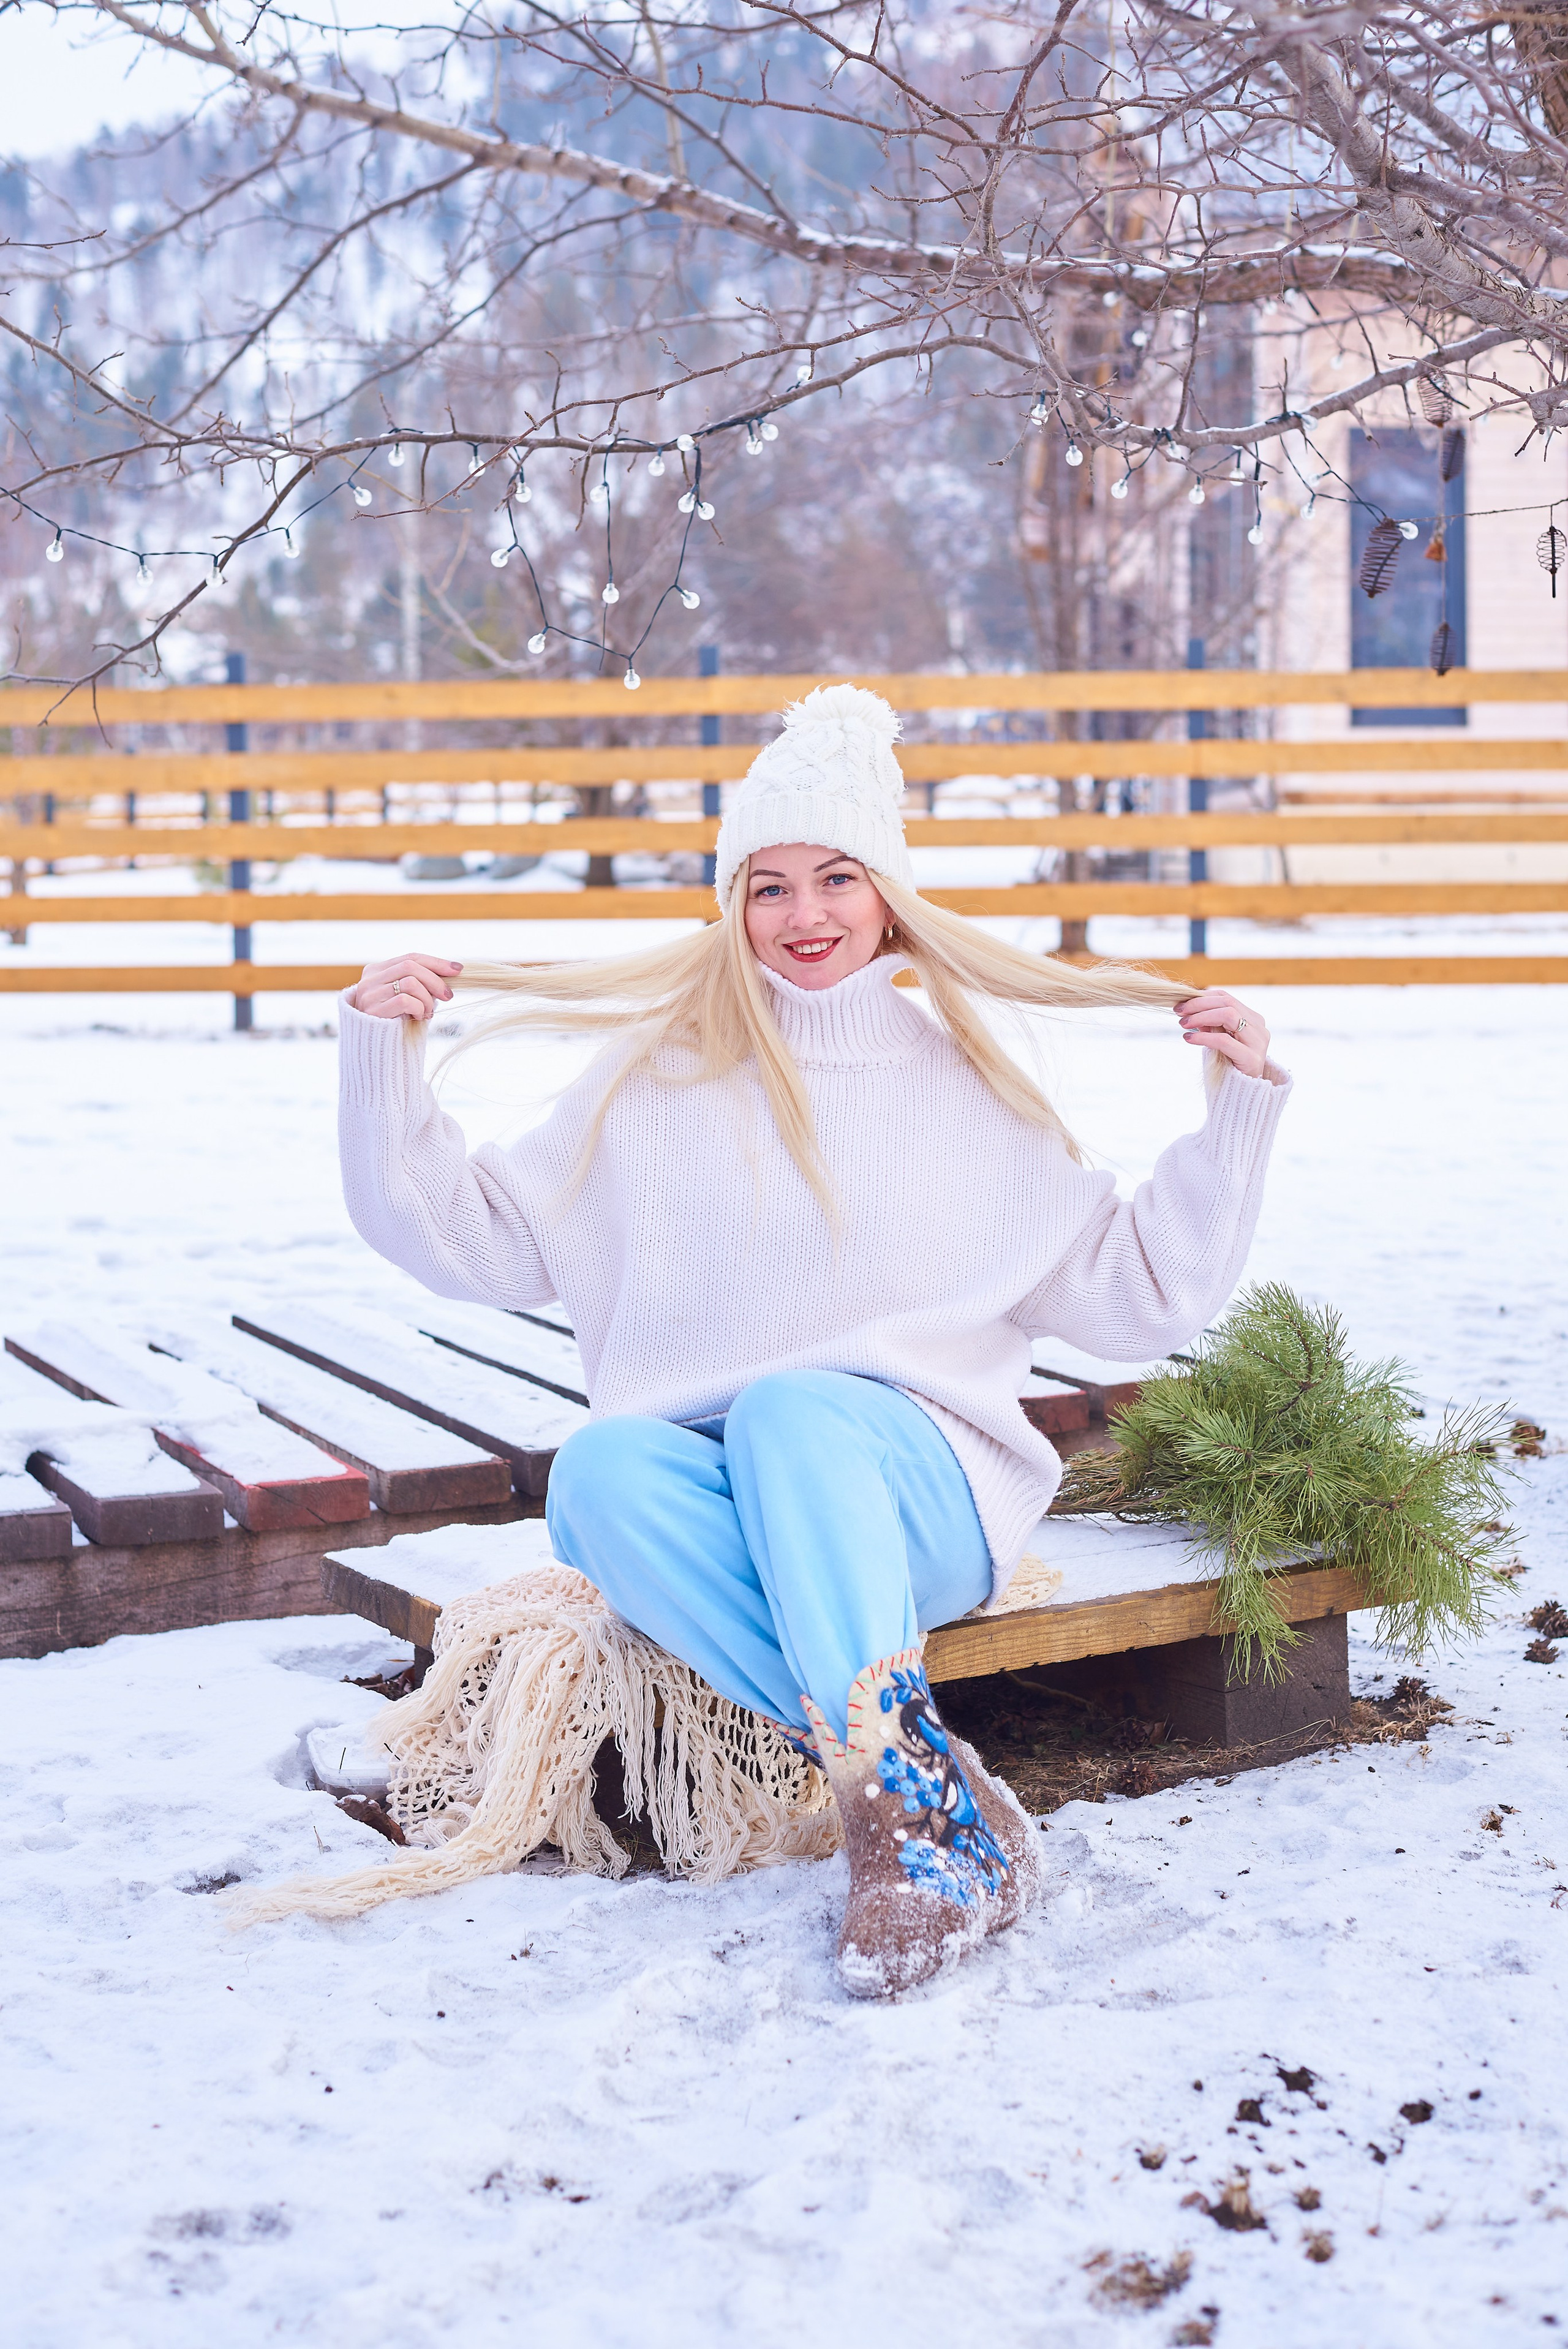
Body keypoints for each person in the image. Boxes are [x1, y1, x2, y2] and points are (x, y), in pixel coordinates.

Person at [339, 685, 1288, 1997]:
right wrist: (382, 1059)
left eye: (836, 878)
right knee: (602, 1468)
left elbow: (1135, 1294)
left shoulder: (961, 1083)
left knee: (796, 1409)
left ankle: (909, 1822)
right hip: (724, 1506)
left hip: (913, 1499)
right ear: (728, 904)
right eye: (767, 886)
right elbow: (473, 1238)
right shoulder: (656, 1075)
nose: (804, 917)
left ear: (888, 894)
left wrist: (1232, 1113)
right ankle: (916, 1795)